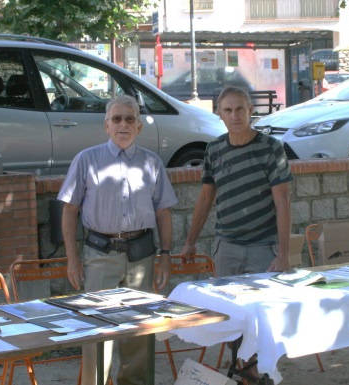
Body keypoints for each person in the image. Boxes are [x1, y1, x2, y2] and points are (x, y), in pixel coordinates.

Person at [58, 95, 178, 385]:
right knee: (97, 330)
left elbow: (163, 212)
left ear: (139, 126)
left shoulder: (152, 162)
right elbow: (69, 209)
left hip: (142, 255)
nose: (123, 124)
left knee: (139, 330)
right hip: (100, 253)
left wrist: (165, 255)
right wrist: (72, 259)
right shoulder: (86, 159)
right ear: (106, 125)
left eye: (129, 118)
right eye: (117, 119)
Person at [181, 85, 292, 383]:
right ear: (219, 114)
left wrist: (284, 253)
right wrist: (190, 242)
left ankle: (256, 372)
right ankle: (244, 371)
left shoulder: (271, 148)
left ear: (250, 111)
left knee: (261, 316)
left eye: (240, 109)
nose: (235, 115)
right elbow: (205, 198)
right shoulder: (214, 149)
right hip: (227, 245)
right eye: (228, 110)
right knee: (232, 314)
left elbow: (282, 200)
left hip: (262, 246)